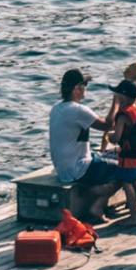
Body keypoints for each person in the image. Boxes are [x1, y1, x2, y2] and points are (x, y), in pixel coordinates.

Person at [48, 68, 117, 222]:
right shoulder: (78, 110)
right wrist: (116, 102)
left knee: (103, 157)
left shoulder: (56, 108)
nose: (86, 89)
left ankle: (92, 194)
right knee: (125, 170)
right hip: (77, 168)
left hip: (62, 168)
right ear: (77, 89)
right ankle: (96, 204)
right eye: (84, 85)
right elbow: (107, 125)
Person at [108, 80, 136, 225]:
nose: (116, 96)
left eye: (117, 94)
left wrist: (109, 136)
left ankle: (133, 217)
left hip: (128, 155)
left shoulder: (123, 115)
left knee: (127, 184)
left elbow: (116, 138)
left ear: (124, 96)